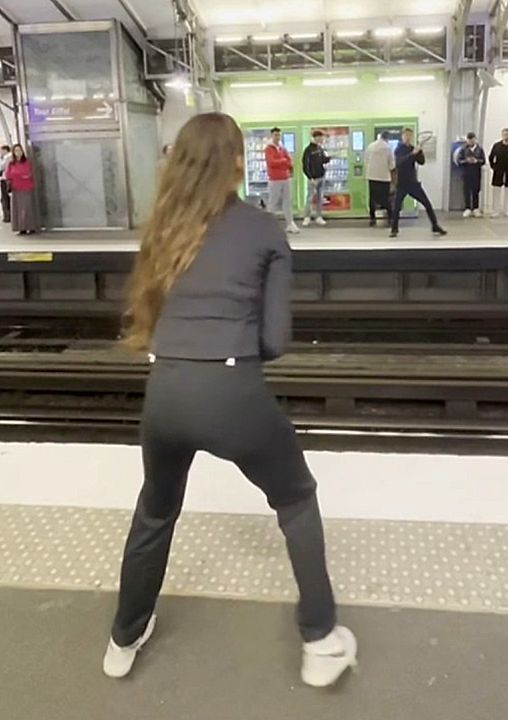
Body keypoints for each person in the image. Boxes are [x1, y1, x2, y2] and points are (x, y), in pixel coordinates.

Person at [103, 112, 355, 687]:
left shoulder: (162, 229)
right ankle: (320, 638)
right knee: (295, 498)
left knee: (156, 510)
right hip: (233, 390)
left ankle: (123, 637)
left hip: (164, 394)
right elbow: (274, 340)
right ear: (238, 161)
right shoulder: (263, 229)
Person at [390, 128, 446, 238]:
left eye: (409, 135)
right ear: (402, 136)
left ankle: (435, 225)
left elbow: (421, 162)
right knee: (396, 207)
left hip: (412, 183)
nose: (408, 138)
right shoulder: (398, 149)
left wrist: (420, 152)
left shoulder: (412, 148)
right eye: (406, 135)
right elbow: (399, 163)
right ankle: (394, 229)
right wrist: (412, 154)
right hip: (402, 183)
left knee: (427, 204)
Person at [264, 127, 299, 234]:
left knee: (287, 201)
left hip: (285, 178)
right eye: (275, 135)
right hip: (274, 179)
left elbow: (289, 161)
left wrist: (283, 162)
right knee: (273, 202)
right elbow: (271, 163)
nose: (277, 137)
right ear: (271, 136)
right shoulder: (269, 149)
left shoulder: (283, 148)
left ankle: (290, 223)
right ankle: (268, 225)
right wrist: (283, 161)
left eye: (279, 135)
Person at [301, 129, 331, 227]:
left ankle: (318, 216)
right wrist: (310, 177)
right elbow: (305, 165)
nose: (322, 139)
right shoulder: (308, 150)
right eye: (321, 137)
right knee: (309, 198)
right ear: (316, 137)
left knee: (319, 198)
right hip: (313, 178)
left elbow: (322, 160)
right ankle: (307, 217)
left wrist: (329, 158)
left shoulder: (320, 148)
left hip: (321, 176)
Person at [364, 131, 395, 227]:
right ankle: (390, 218)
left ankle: (372, 219)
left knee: (372, 198)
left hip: (371, 176)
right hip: (384, 177)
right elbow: (392, 165)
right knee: (386, 199)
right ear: (387, 138)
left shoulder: (370, 146)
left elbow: (366, 161)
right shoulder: (388, 148)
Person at [5, 145, 38, 235]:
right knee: (18, 209)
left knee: (28, 208)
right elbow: (8, 175)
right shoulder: (11, 163)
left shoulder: (27, 162)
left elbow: (28, 173)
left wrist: (18, 175)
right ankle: (21, 228)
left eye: (19, 150)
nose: (18, 152)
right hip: (16, 188)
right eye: (16, 150)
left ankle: (31, 227)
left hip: (26, 188)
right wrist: (19, 175)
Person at [456, 132, 486, 218]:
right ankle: (467, 208)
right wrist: (466, 161)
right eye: (469, 140)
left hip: (476, 173)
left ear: (475, 139)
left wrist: (476, 161)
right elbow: (459, 160)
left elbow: (483, 161)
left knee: (476, 190)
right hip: (466, 173)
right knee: (466, 191)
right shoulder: (463, 149)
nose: (470, 141)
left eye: (472, 139)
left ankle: (476, 208)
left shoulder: (480, 149)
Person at [0, 144, 12, 224]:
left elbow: (1, 167)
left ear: (5, 150)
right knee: (5, 198)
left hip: (5, 179)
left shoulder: (7, 157)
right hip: (5, 179)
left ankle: (7, 216)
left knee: (5, 198)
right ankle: (7, 215)